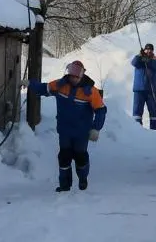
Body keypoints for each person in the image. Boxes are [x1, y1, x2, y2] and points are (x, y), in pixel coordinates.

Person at [29, 60, 107, 191]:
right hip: (65, 129)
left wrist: (96, 128)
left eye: (76, 76)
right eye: (72, 75)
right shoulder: (60, 85)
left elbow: (101, 110)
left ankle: (83, 178)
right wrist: (30, 84)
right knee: (64, 156)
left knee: (80, 156)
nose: (74, 78)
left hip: (81, 132)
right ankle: (65, 185)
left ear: (82, 76)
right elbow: (44, 88)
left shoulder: (90, 91)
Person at [131, 43, 156, 130]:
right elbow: (134, 62)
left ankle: (154, 130)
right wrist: (140, 56)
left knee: (154, 112)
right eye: (147, 49)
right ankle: (137, 130)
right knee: (137, 112)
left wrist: (148, 60)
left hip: (152, 90)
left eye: (151, 49)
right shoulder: (139, 58)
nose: (149, 51)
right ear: (144, 50)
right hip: (139, 90)